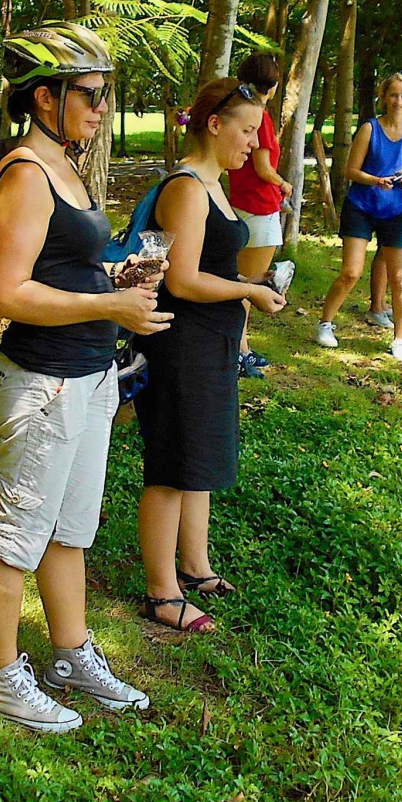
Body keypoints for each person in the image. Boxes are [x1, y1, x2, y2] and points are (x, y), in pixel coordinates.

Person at [0, 22, 171, 733]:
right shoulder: (26, 171)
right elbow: (6, 292)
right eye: (89, 94)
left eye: (104, 95)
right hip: (45, 380)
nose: (100, 108)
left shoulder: (67, 162)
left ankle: (70, 653)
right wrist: (107, 302)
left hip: (90, 375)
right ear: (44, 97)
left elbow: (61, 264)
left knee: (70, 531)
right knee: (15, 535)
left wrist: (113, 277)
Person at [135, 78, 287, 634]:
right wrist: (248, 289)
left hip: (212, 341)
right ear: (215, 126)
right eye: (247, 130)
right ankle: (161, 592)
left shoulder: (217, 184)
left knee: (197, 461)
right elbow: (184, 280)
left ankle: (195, 569)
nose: (255, 142)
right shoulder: (188, 188)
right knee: (173, 465)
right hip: (182, 343)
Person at [315, 71, 402, 361]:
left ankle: (400, 339)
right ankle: (324, 324)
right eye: (393, 95)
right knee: (351, 272)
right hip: (363, 206)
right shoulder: (369, 128)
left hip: (400, 209)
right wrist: (374, 180)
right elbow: (350, 171)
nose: (398, 101)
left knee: (400, 278)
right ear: (384, 97)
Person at [226, 53, 290, 380]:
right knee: (248, 286)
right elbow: (264, 168)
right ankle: (238, 352)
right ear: (274, 84)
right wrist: (284, 183)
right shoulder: (260, 117)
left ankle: (243, 348)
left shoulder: (241, 110)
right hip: (260, 206)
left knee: (243, 282)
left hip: (243, 202)